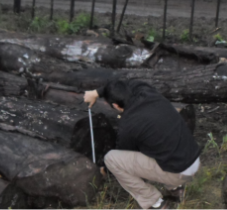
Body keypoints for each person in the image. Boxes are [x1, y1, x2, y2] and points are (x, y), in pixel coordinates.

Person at [84, 79, 201, 209]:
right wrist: (96, 92)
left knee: (111, 159)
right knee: (157, 141)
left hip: (179, 171)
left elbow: (125, 154)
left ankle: (154, 203)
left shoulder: (128, 125)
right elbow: (124, 80)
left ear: (116, 106)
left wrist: (105, 170)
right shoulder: (144, 89)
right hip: (193, 157)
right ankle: (176, 189)